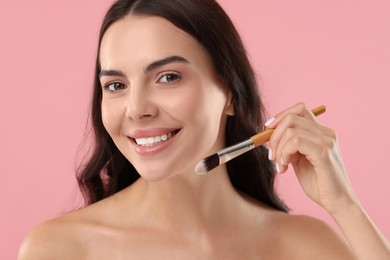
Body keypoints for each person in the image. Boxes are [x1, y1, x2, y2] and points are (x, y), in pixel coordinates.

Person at [18, 0, 389, 259]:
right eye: (116, 85)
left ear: (229, 92)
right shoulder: (59, 250)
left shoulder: (306, 246)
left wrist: (345, 205)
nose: (136, 109)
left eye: (168, 77)